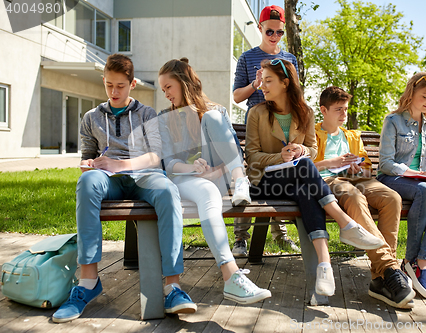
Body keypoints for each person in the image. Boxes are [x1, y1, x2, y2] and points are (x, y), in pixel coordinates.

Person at [52, 54, 195, 323]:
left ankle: (173, 287)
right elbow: (88, 155)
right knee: (86, 182)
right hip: (110, 182)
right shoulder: (91, 117)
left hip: (144, 177)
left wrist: (121, 164)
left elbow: (155, 158)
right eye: (109, 85)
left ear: (133, 84)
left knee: (166, 190)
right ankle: (87, 282)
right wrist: (88, 164)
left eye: (120, 86)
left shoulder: (147, 114)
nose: (114, 92)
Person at [245, 58, 384, 297]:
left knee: (306, 189)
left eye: (269, 81)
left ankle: (324, 265)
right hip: (265, 183)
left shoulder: (305, 112)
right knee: (306, 169)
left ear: (285, 83)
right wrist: (280, 156)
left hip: (298, 180)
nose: (263, 86)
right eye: (263, 81)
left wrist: (300, 151)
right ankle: (345, 223)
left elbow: (310, 148)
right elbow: (252, 157)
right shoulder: (256, 113)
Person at [157, 58, 272, 304]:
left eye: (168, 87)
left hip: (220, 177)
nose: (165, 93)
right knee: (206, 190)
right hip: (184, 180)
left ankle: (240, 181)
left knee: (212, 118)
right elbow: (169, 165)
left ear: (183, 82)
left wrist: (216, 171)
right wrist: (194, 168)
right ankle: (231, 278)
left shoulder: (216, 111)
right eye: (162, 89)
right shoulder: (165, 117)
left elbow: (232, 154)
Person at [313, 86, 415, 308]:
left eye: (346, 110)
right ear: (324, 110)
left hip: (357, 179)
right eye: (338, 109)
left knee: (392, 198)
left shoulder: (351, 136)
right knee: (355, 197)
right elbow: (306, 166)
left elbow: (368, 168)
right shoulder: (313, 134)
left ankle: (380, 278)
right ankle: (390, 270)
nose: (343, 114)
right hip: (329, 181)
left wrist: (357, 169)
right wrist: (334, 163)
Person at [377, 72, 426, 299]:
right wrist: (418, 174)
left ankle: (424, 261)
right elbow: (386, 163)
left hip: (421, 180)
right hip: (393, 179)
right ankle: (411, 260)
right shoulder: (393, 121)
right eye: (425, 96)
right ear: (411, 93)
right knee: (425, 190)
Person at [232, 4, 299, 257]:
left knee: (281, 172)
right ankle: (241, 239)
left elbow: (295, 94)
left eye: (280, 32)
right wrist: (256, 84)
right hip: (256, 121)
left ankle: (280, 235)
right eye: (270, 31)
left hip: (283, 121)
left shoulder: (289, 59)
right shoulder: (247, 58)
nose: (274, 37)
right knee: (253, 174)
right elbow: (237, 96)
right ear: (260, 28)